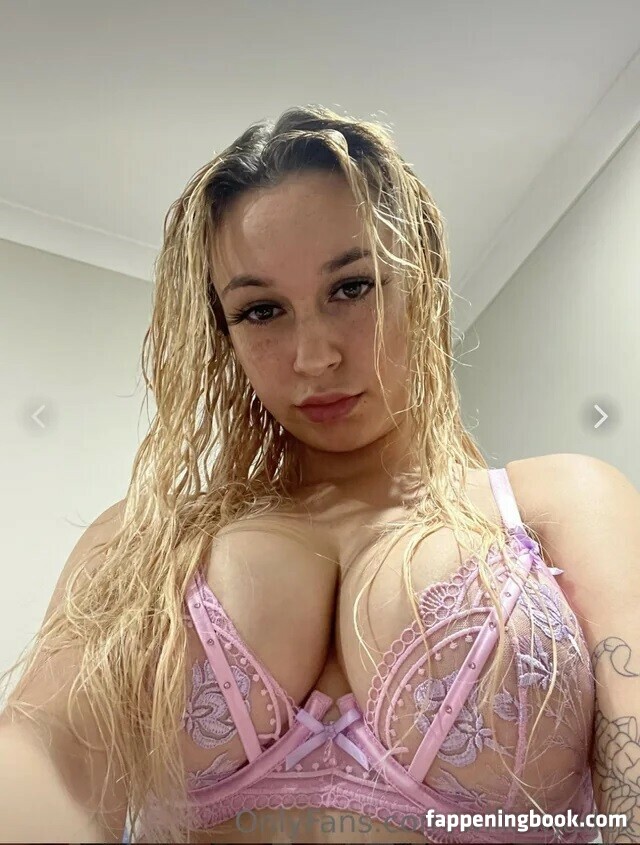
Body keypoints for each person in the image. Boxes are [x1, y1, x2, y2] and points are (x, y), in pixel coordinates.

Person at [0, 104, 638, 845]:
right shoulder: (144, 541)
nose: (314, 358)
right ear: (224, 333)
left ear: (420, 280)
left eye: (351, 287)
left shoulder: (561, 503)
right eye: (261, 310)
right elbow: (44, 765)